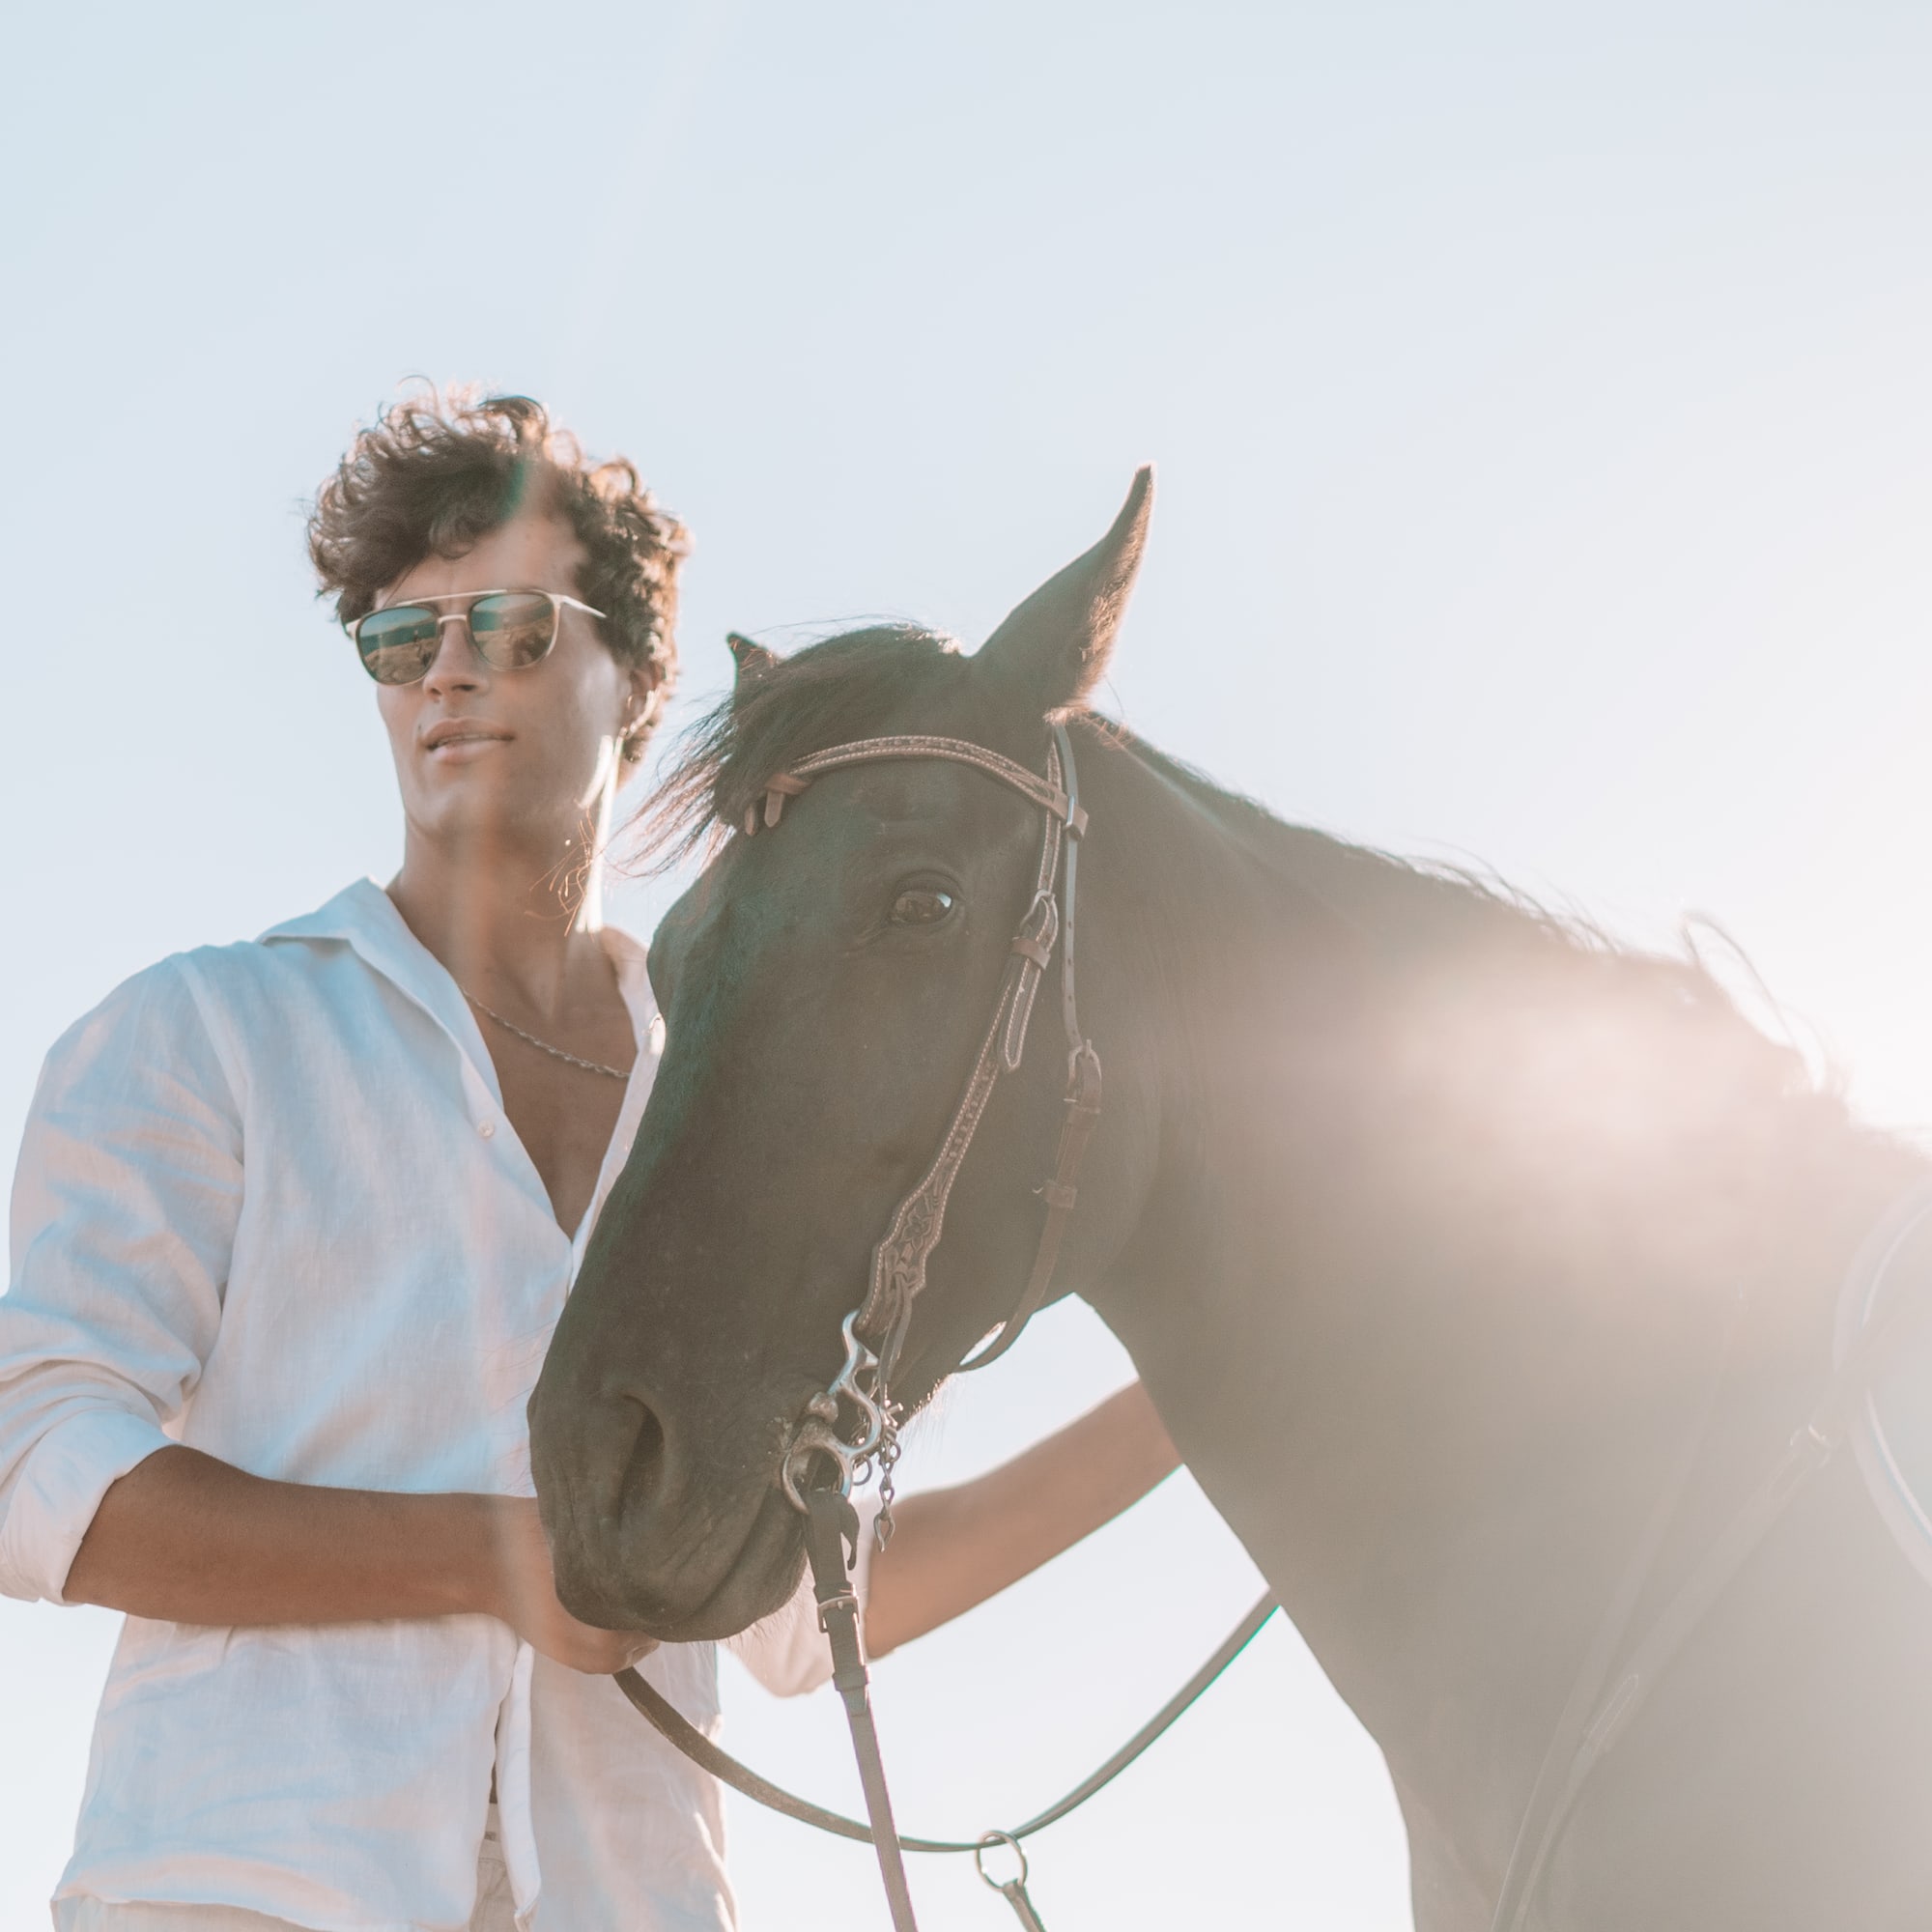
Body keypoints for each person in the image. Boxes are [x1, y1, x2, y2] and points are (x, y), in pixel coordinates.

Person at [0, 391, 1181, 1932]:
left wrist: (1189, 1417)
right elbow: (36, 1475)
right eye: (397, 638)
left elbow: (819, 1600)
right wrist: (490, 1561)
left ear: (639, 674)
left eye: (509, 624)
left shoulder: (751, 1099)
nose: (448, 673)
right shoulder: (203, 1032)